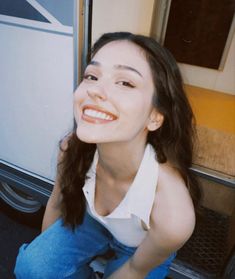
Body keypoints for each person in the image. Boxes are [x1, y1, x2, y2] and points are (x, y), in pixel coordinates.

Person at [14, 32, 201, 279]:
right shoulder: (71, 149)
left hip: (141, 246)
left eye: (125, 82)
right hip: (92, 224)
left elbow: (135, 270)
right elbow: (56, 204)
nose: (96, 90)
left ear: (155, 117)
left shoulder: (173, 214)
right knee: (33, 268)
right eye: (92, 76)